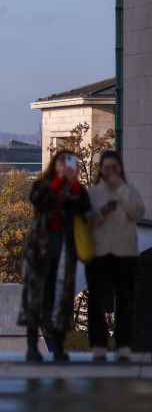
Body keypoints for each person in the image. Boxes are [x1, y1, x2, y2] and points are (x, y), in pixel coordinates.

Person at [18, 150, 91, 363]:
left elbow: (84, 207)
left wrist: (73, 183)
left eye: (69, 163)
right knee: (36, 298)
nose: (64, 166)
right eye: (61, 162)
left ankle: (58, 345)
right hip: (40, 249)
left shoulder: (75, 189)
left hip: (63, 248)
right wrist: (59, 181)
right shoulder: (42, 185)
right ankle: (32, 346)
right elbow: (39, 200)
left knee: (59, 298)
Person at [86, 150, 145, 360]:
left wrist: (121, 190)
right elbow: (88, 221)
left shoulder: (129, 190)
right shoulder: (93, 194)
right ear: (101, 170)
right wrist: (102, 213)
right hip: (100, 253)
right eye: (107, 168)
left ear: (120, 169)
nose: (111, 172)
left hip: (126, 253)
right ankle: (98, 344)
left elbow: (138, 212)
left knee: (126, 301)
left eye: (114, 168)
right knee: (96, 302)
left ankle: (124, 345)